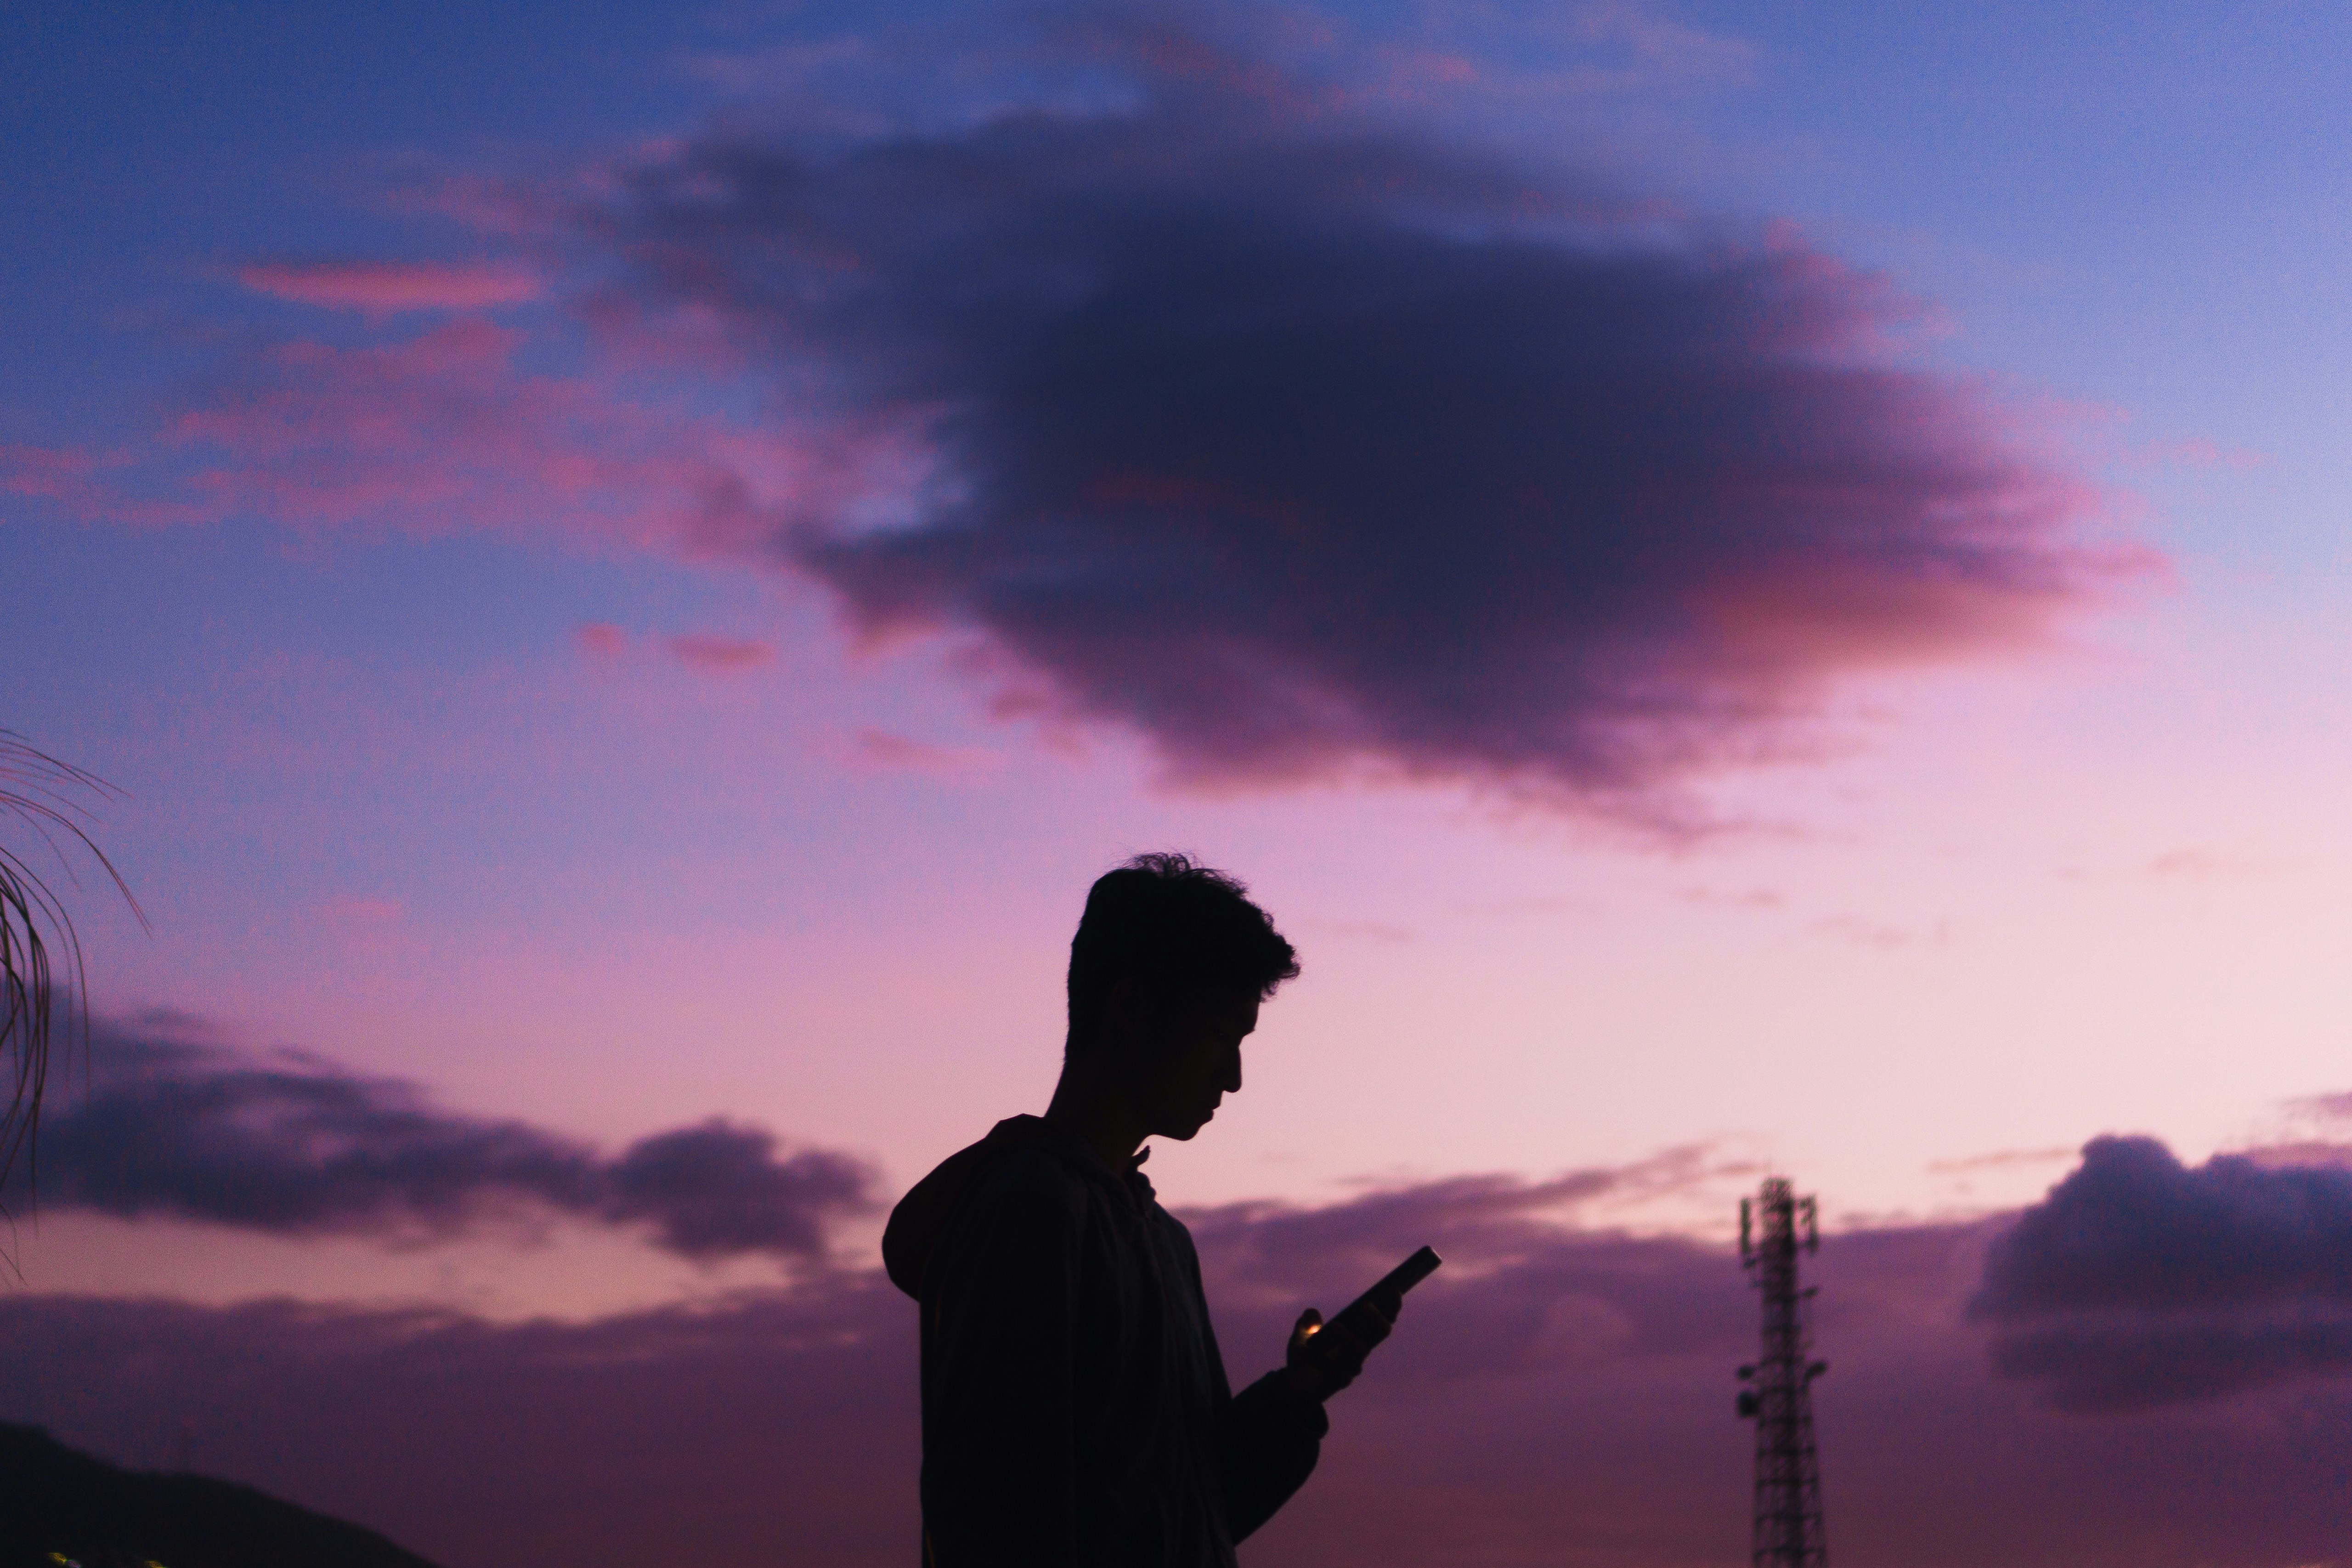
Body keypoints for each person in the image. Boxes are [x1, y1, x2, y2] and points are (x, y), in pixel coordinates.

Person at [883, 853, 1402, 1567]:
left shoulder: (1163, 1240)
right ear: (1130, 1011)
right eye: (1221, 1034)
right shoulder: (1032, 1211)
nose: (1235, 1075)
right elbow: (996, 1508)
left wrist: (1296, 1396)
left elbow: (1195, 1508)